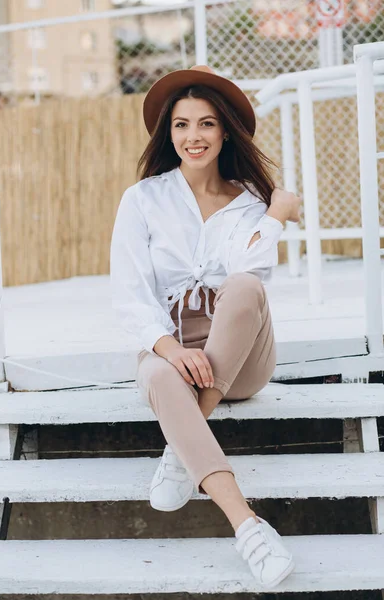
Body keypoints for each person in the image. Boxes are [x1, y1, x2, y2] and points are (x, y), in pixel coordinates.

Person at [110, 65, 301, 588]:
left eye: (206, 124)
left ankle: (181, 445)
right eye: (181, 125)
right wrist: (169, 349)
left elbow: (252, 272)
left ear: (225, 131)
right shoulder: (143, 199)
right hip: (170, 341)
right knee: (158, 377)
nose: (193, 137)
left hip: (239, 357)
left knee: (242, 287)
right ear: (168, 134)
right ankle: (249, 528)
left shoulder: (249, 203)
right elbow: (128, 293)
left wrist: (275, 215)